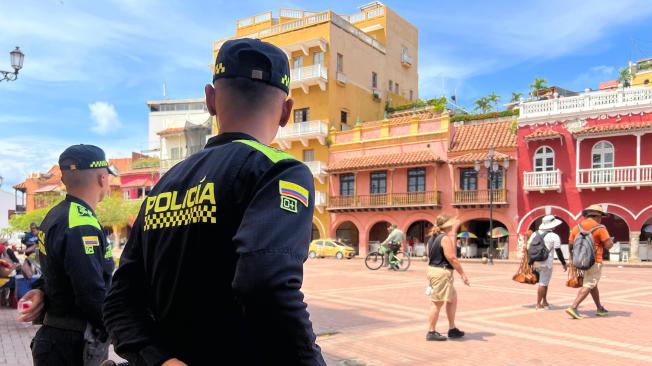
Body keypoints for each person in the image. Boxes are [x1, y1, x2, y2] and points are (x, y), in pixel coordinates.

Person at [103, 38, 325, 366]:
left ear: (210, 100)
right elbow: (267, 283)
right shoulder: (279, 172)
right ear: (286, 112)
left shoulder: (165, 184)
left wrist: (160, 359)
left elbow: (119, 302)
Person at [18, 144, 116, 366]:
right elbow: (90, 293)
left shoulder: (55, 216)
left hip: (56, 339)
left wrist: (41, 289)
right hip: (75, 346)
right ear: (102, 178)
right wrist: (122, 330)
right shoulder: (82, 223)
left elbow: (58, 271)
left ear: (64, 180)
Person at [426, 215, 470, 341]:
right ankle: (431, 331)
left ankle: (452, 329)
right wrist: (462, 274)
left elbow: (430, 254)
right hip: (441, 272)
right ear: (446, 225)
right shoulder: (444, 238)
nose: (452, 225)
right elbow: (452, 258)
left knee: (452, 299)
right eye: (450, 224)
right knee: (437, 302)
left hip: (434, 270)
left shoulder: (432, 237)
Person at [565, 205, 613, 319]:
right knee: (589, 283)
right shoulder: (600, 228)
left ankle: (599, 308)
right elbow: (608, 246)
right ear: (597, 216)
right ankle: (574, 307)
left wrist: (573, 259)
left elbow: (570, 244)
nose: (601, 219)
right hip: (595, 260)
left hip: (581, 260)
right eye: (601, 216)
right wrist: (610, 241)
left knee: (592, 284)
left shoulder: (577, 227)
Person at [530, 215, 567, 310]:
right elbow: (558, 251)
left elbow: (528, 247)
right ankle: (538, 304)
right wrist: (563, 263)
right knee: (543, 283)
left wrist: (530, 263)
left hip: (535, 261)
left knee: (545, 282)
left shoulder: (535, 233)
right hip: (546, 262)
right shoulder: (554, 236)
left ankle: (545, 302)